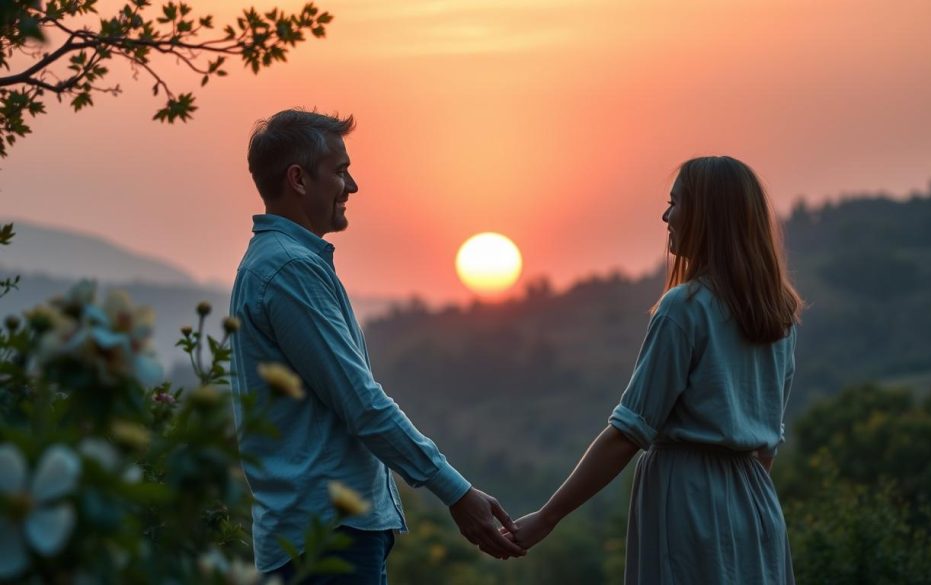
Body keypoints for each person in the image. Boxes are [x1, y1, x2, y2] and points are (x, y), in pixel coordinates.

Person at [228, 109, 524, 584]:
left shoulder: (283, 264)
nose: (353, 186)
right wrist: (456, 492)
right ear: (299, 179)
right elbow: (361, 403)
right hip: (327, 540)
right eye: (341, 171)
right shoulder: (289, 271)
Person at [507, 156, 802, 584]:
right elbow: (765, 447)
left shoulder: (684, 309)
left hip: (688, 503)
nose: (666, 216)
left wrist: (547, 517)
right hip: (756, 506)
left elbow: (628, 433)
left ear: (705, 215)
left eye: (675, 203)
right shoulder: (781, 316)